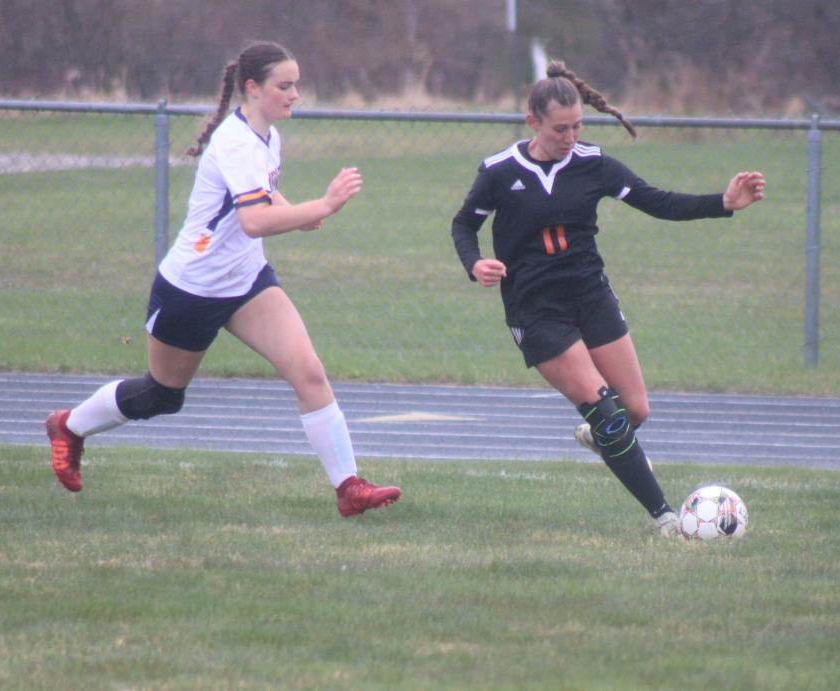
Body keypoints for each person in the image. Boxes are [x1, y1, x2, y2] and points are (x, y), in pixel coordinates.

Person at [45, 40, 400, 518]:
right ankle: (69, 425)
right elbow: (253, 221)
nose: (295, 94)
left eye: (296, 84)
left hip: (247, 280)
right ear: (252, 88)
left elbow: (263, 194)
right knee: (161, 395)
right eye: (284, 85)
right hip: (193, 288)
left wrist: (293, 211)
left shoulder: (268, 135)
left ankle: (348, 488)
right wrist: (324, 206)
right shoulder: (234, 142)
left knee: (309, 373)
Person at [450, 61, 765, 537]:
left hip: (590, 295)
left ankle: (607, 439)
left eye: (577, 125)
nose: (570, 136)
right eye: (560, 128)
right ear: (533, 122)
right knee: (606, 411)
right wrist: (475, 264)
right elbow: (463, 225)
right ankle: (667, 520)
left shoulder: (594, 165)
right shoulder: (499, 171)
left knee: (635, 411)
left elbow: (657, 201)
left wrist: (722, 204)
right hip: (536, 309)